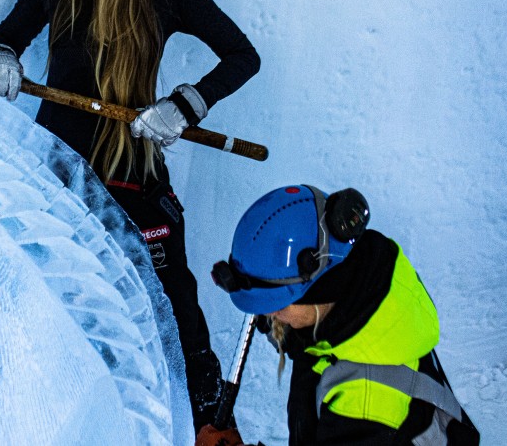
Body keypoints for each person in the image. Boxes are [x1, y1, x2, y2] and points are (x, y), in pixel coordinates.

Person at [0, 0, 261, 430]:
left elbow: (242, 56)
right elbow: (7, 37)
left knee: (173, 304)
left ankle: (209, 424)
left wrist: (186, 104)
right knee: (62, 303)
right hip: (54, 175)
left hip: (134, 176)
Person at [200, 185, 480, 446]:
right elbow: (299, 331)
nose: (271, 316)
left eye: (278, 306)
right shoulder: (366, 294)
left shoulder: (364, 403)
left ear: (319, 295)